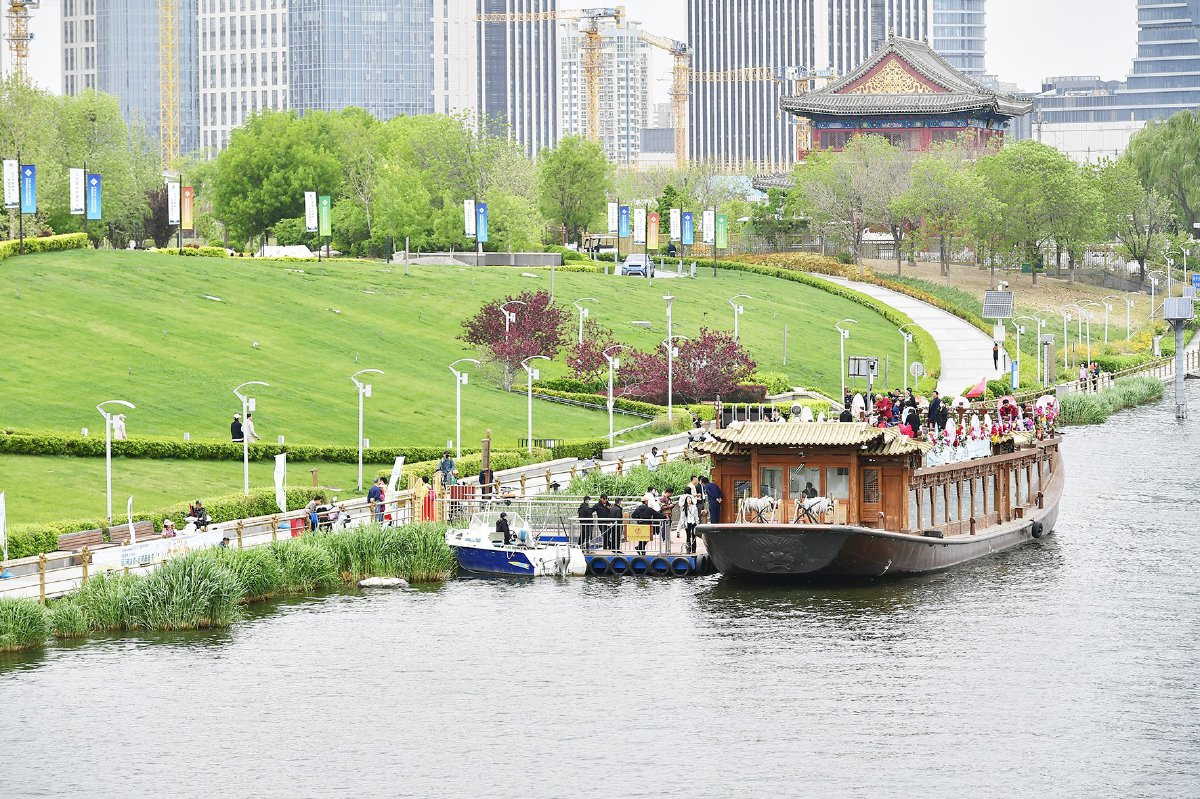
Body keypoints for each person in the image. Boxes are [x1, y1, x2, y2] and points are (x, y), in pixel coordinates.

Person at [681, 486, 700, 554]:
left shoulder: (694, 507)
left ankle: (694, 549)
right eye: (687, 499)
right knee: (688, 535)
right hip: (687, 522)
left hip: (693, 522)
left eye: (690, 499)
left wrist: (697, 523)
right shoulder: (684, 508)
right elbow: (682, 517)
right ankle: (688, 549)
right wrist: (682, 524)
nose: (689, 500)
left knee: (694, 535)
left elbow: (696, 516)